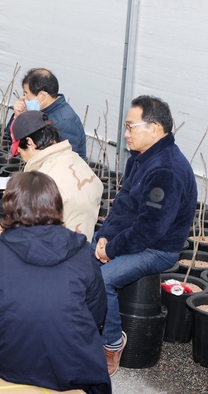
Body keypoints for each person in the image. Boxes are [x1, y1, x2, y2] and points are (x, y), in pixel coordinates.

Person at [0, 171, 111, 394]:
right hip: (71, 369)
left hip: (2, 361)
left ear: (9, 206)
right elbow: (97, 314)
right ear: (56, 205)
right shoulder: (83, 255)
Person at [93, 95, 197, 376]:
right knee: (80, 256)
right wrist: (104, 237)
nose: (125, 134)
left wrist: (111, 250)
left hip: (158, 248)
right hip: (134, 236)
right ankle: (80, 329)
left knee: (103, 280)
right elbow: (124, 205)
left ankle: (112, 342)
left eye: (130, 127)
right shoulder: (140, 158)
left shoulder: (167, 169)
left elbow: (151, 228)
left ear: (154, 128)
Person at [0, 111, 103, 241]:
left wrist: (2, 239)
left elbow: (33, 240)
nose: (23, 159)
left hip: (56, 254)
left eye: (20, 152)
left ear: (29, 142)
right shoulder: (81, 165)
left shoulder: (44, 183)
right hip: (81, 250)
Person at [10, 68, 87, 159]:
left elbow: (65, 160)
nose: (24, 98)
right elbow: (17, 139)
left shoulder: (64, 122)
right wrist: (17, 116)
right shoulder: (42, 112)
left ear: (42, 96)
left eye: (27, 94)